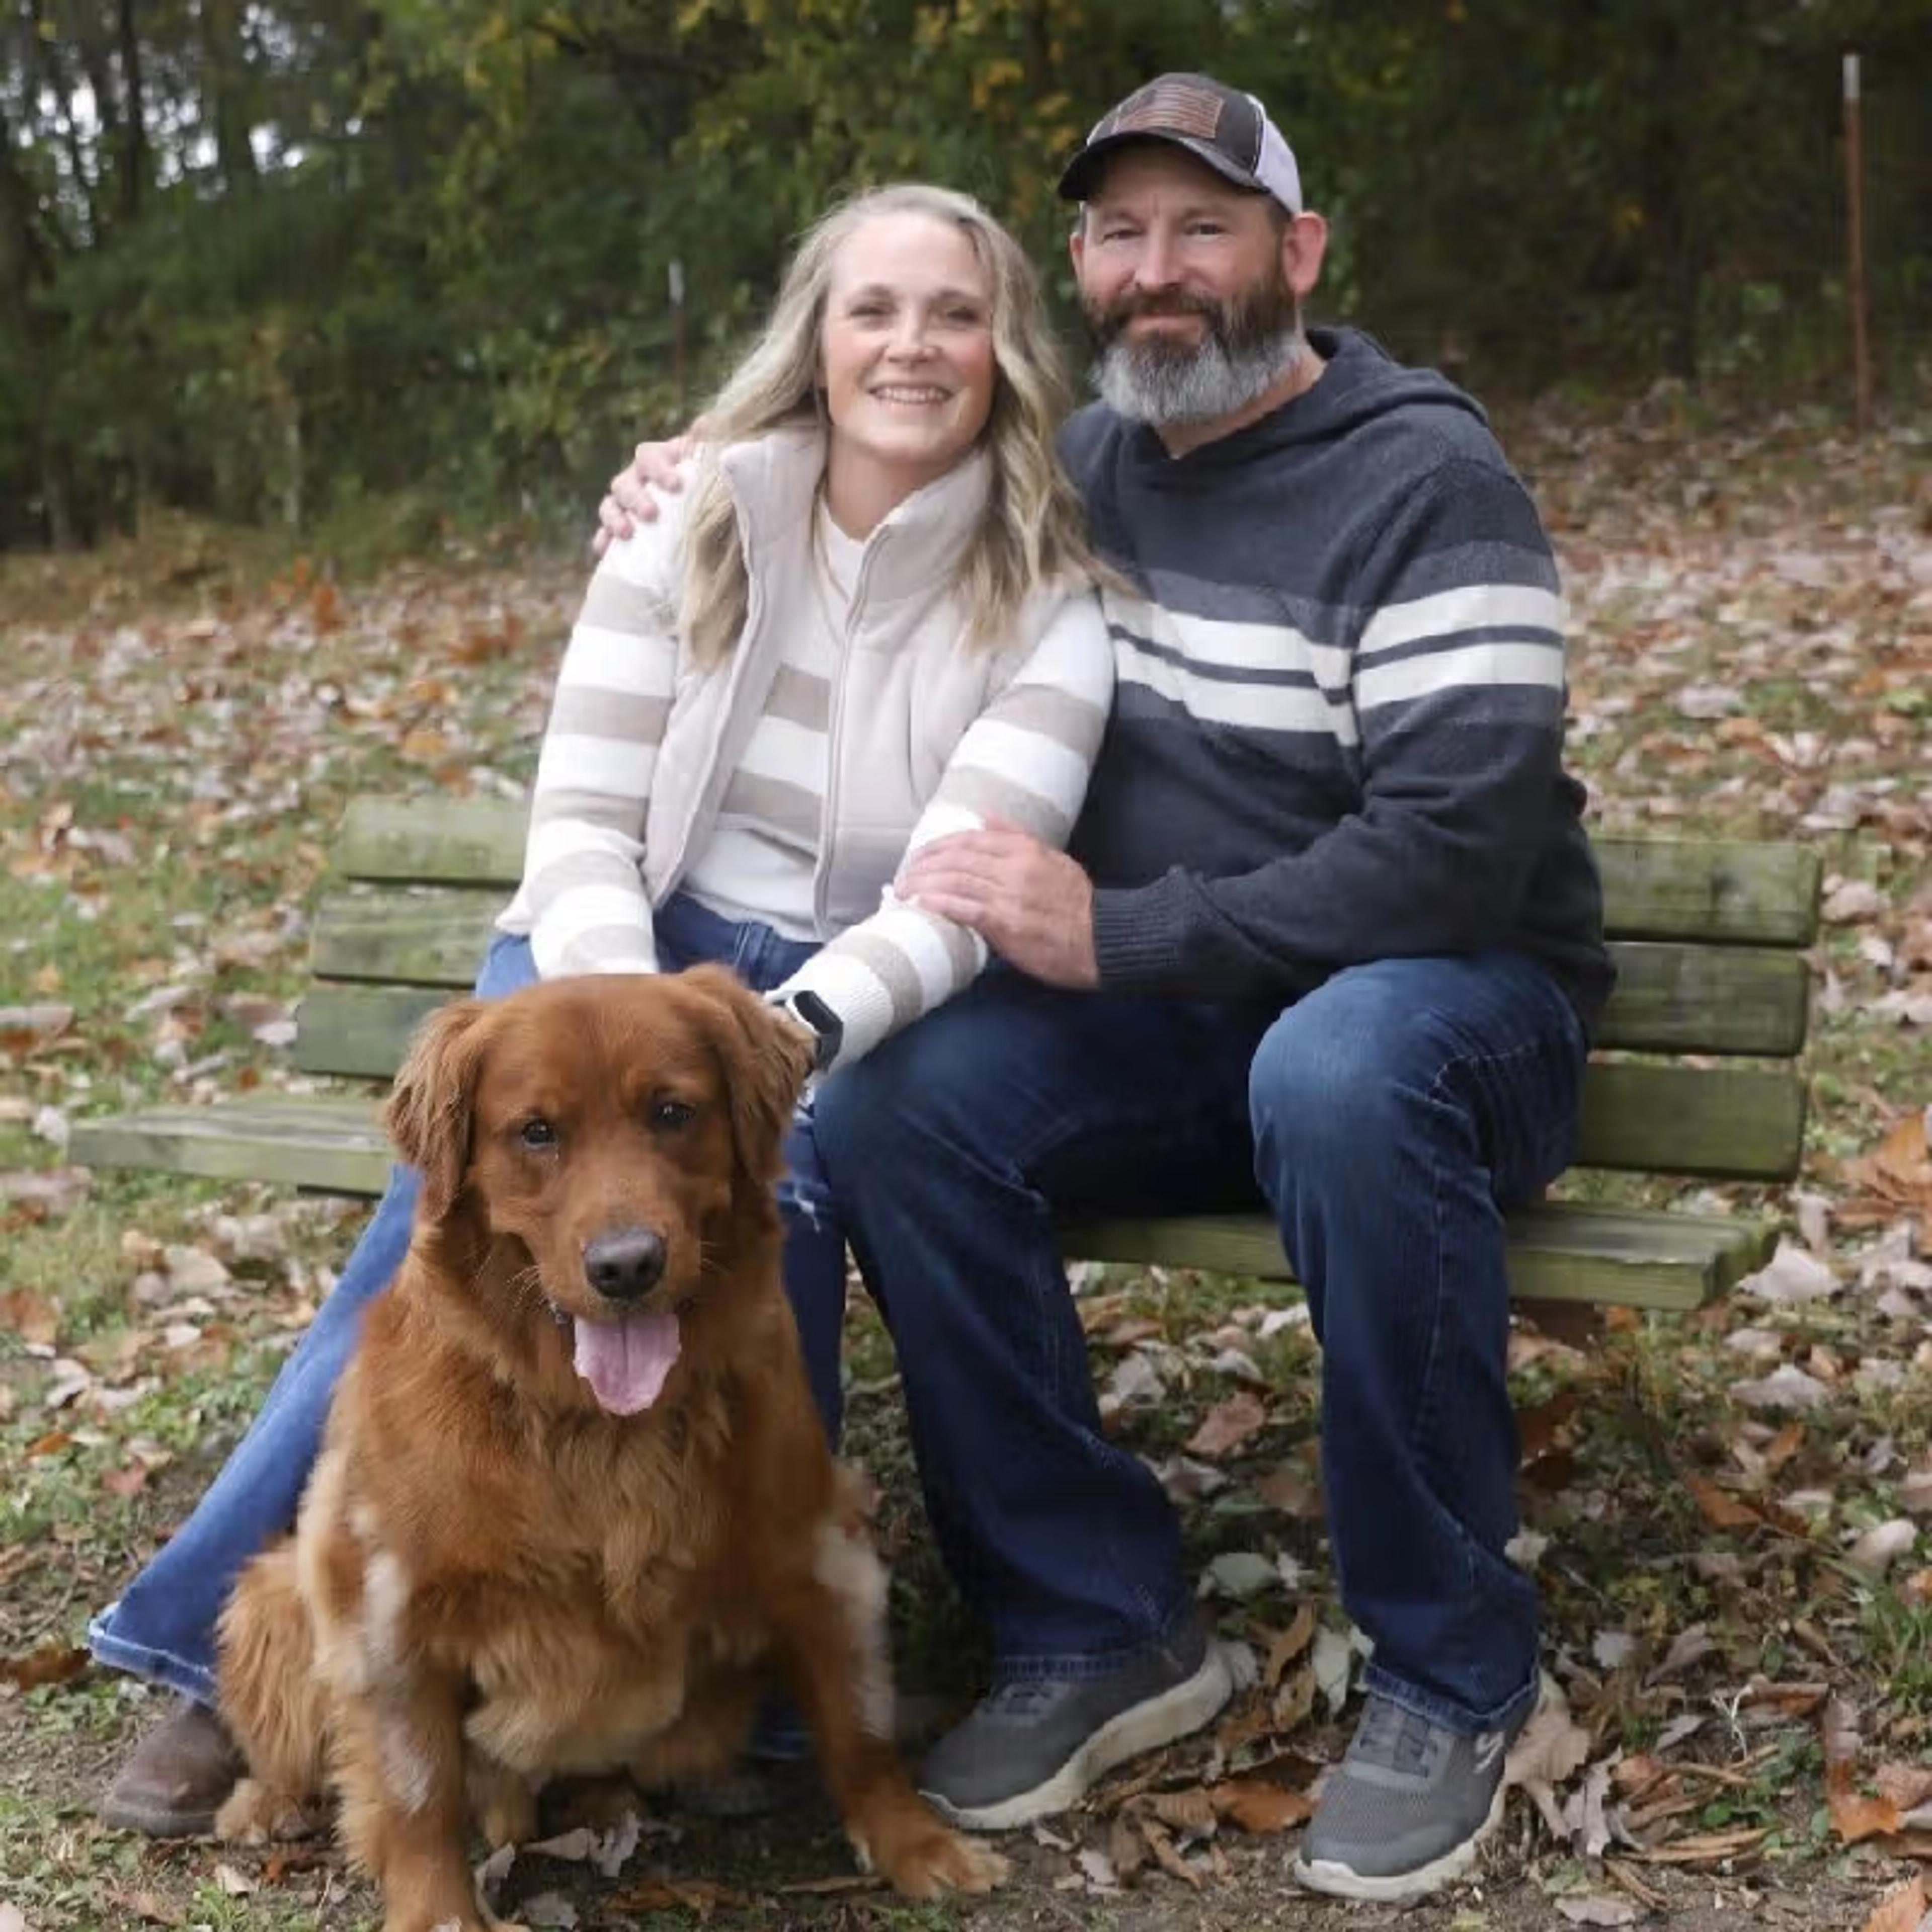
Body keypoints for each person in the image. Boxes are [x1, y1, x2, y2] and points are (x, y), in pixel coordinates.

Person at [605, 72, 1615, 1904]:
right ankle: (1099, 1618)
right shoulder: (1083, 471)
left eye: (1206, 228)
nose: (1162, 272)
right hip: (1205, 1027)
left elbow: (1458, 852)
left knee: (1339, 1064)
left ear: (1298, 253)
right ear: (1080, 266)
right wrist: (694, 473)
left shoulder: (1427, 481)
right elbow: (851, 473)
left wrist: (1123, 937)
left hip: (1452, 1018)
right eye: (1122, 234)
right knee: (902, 1103)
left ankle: (1456, 1661)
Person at [90, 181, 1119, 1839]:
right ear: (817, 336)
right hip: (610, 937)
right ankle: (227, 1653)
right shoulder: (688, 516)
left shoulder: (1049, 593)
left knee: (786, 1184)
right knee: (440, 1236)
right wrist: (615, 1013)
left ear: (1007, 351)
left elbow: (963, 887)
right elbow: (579, 819)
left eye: (957, 313)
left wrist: (775, 1039)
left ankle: (753, 1665)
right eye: (877, 309)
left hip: (843, 978)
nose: (914, 345)